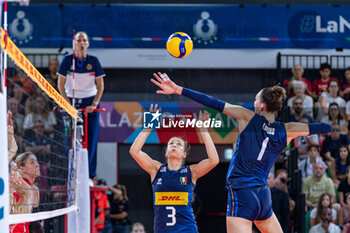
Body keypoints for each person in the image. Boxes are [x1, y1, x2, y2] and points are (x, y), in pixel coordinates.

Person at [151, 72, 332, 233]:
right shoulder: (288, 129)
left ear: (261, 105)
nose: (253, 102)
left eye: (255, 99)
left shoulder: (247, 117)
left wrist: (178, 89)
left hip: (242, 192)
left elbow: (212, 102)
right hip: (263, 195)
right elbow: (324, 126)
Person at [129, 105, 219, 233]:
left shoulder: (190, 172)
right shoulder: (156, 169)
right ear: (166, 152)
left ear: (184, 154)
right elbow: (134, 151)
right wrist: (148, 127)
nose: (174, 145)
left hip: (187, 229)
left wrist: (204, 131)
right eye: (171, 143)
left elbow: (214, 160)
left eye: (178, 144)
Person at [58, 31, 105, 179]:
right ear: (74, 44)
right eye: (79, 41)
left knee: (91, 139)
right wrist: (67, 104)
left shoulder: (94, 60)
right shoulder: (67, 60)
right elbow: (60, 84)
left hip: (90, 102)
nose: (82, 43)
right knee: (68, 140)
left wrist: (94, 103)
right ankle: (69, 173)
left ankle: (90, 176)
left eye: (84, 41)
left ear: (88, 44)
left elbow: (101, 86)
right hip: (71, 102)